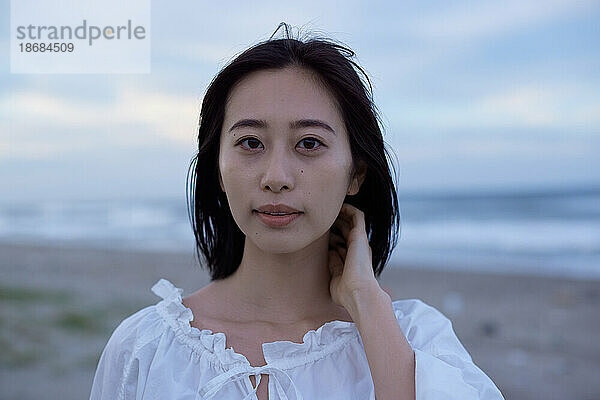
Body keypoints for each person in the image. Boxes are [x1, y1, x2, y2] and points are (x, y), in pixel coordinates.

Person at [89, 23, 505, 400]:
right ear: (217, 167)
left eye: (309, 143)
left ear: (355, 173)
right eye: (251, 143)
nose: (276, 176)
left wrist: (367, 304)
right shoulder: (145, 346)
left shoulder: (417, 337)